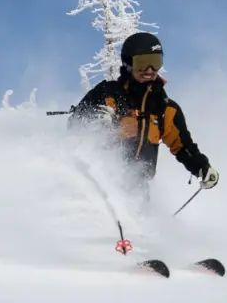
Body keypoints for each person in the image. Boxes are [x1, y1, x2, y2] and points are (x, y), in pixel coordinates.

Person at [68, 32, 218, 194]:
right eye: (142, 63)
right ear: (128, 64)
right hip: (98, 182)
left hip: (138, 190)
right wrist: (94, 122)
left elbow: (182, 146)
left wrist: (202, 167)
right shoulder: (107, 94)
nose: (149, 70)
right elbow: (74, 126)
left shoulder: (166, 109)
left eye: (155, 62)